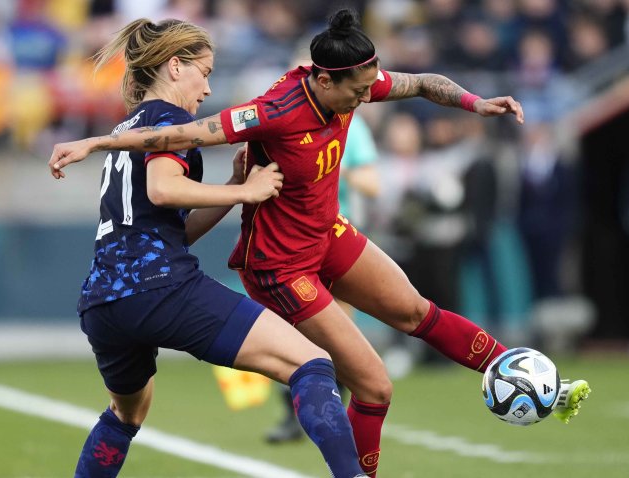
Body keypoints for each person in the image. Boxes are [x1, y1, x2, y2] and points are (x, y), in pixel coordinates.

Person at [49, 10, 591, 477]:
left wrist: (476, 103)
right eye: (205, 74)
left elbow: (423, 83)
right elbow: (173, 161)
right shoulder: (269, 110)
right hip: (274, 265)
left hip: (302, 241)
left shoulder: (356, 81)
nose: (365, 97)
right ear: (326, 81)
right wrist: (98, 140)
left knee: (416, 310)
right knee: (365, 383)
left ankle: (533, 380)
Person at [52, 19, 369, 478]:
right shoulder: (169, 120)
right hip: (161, 287)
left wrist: (233, 183)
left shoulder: (128, 129)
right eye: (204, 72)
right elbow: (163, 189)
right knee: (313, 361)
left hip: (103, 302)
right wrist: (247, 193)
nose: (207, 88)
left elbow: (168, 226)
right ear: (175, 67)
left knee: (126, 414)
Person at [265, 112, 380, 444]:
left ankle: (334, 414)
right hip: (289, 240)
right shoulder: (283, 119)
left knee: (337, 333)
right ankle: (293, 414)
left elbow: (372, 183)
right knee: (290, 330)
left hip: (336, 238)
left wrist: (326, 164)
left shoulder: (349, 124)